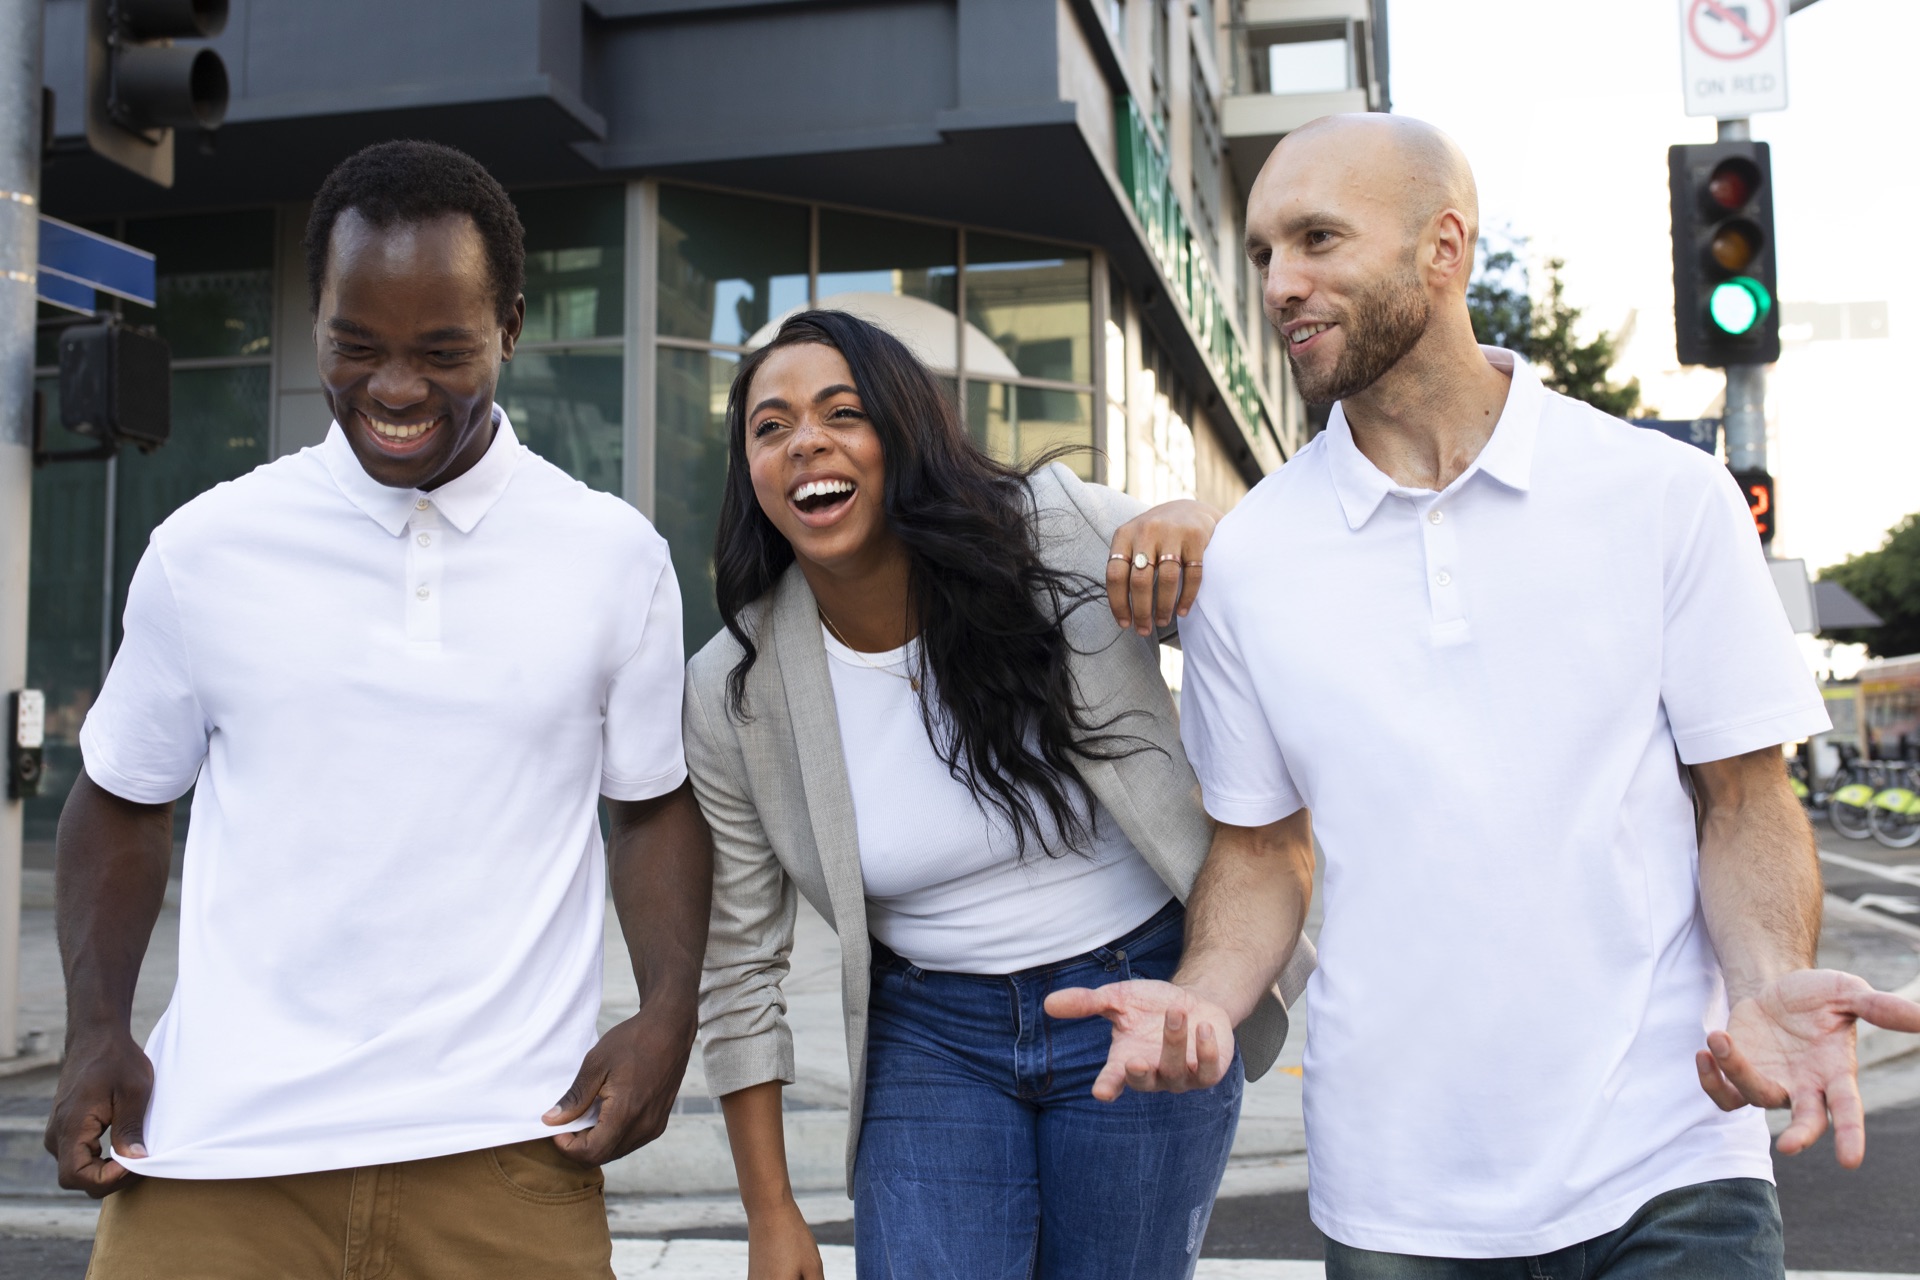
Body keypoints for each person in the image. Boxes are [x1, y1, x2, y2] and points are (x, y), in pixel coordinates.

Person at [1050, 114, 1920, 1278]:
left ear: (1443, 249)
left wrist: (1766, 982)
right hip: (1398, 1197)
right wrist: (1206, 995)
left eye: (1317, 238)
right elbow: (1263, 850)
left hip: (1670, 1156)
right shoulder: (1252, 559)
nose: (1280, 283)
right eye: (1262, 252)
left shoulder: (1663, 495)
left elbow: (1742, 795)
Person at [44, 140, 711, 1279]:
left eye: (442, 350)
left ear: (509, 323)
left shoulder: (613, 557)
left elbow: (650, 807)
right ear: (317, 322)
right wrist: (96, 1024)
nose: (395, 389)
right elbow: (119, 799)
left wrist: (668, 1013)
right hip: (220, 1157)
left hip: (508, 1156)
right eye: (357, 346)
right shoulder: (206, 549)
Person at [685, 309, 1313, 1280]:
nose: (804, 439)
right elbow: (739, 960)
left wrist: (1205, 527)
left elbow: (1275, 625)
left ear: (905, 430)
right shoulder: (733, 685)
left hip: (1138, 989)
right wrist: (771, 1212)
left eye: (840, 411)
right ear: (751, 472)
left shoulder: (1060, 533)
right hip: (931, 1034)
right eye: (769, 426)